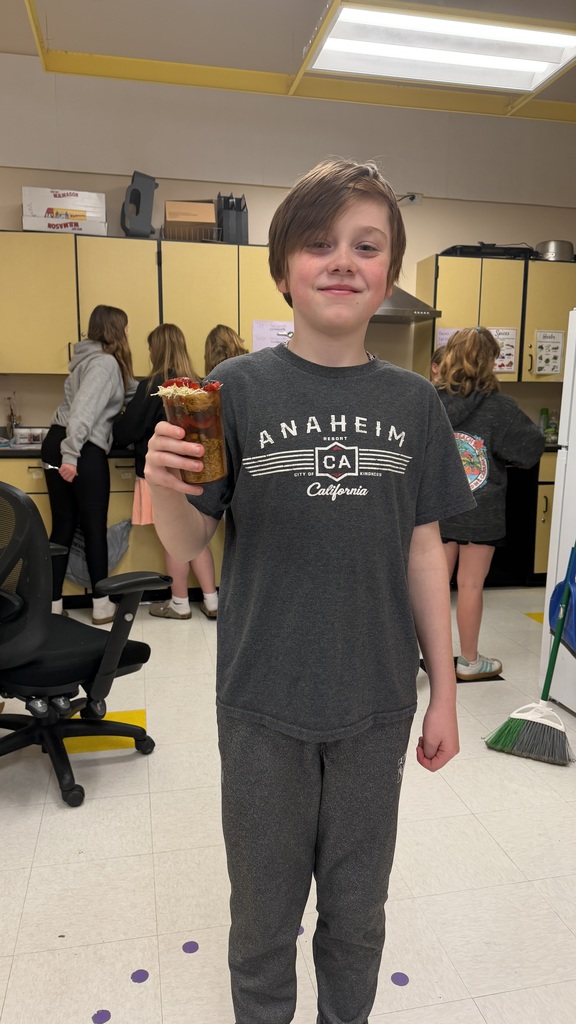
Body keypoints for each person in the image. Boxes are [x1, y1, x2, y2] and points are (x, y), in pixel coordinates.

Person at [144, 158, 475, 1024]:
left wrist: (444, 691)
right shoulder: (233, 392)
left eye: (366, 246)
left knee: (357, 919)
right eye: (319, 242)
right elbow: (188, 545)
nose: (342, 260)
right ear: (284, 265)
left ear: (389, 273)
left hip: (374, 709)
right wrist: (168, 487)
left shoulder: (416, 406)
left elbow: (424, 552)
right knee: (261, 923)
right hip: (261, 710)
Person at [435, 326, 545, 681]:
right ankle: (469, 661)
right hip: (481, 510)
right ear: (490, 362)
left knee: (432, 586)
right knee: (469, 585)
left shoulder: (428, 399)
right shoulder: (501, 407)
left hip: (436, 508)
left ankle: (424, 661)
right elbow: (530, 450)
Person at [113, 323, 219, 620]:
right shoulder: (198, 383)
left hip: (163, 474)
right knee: (197, 537)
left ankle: (179, 602)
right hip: (196, 472)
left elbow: (126, 431)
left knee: (174, 537)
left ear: (155, 350)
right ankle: (211, 600)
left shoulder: (154, 386)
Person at [41, 304, 137, 625]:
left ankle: (54, 606)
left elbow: (126, 393)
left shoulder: (91, 362)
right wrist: (71, 456)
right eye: (125, 327)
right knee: (93, 528)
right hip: (80, 447)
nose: (127, 333)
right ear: (115, 330)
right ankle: (101, 605)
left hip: (58, 442)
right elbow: (83, 410)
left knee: (64, 527)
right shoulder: (105, 364)